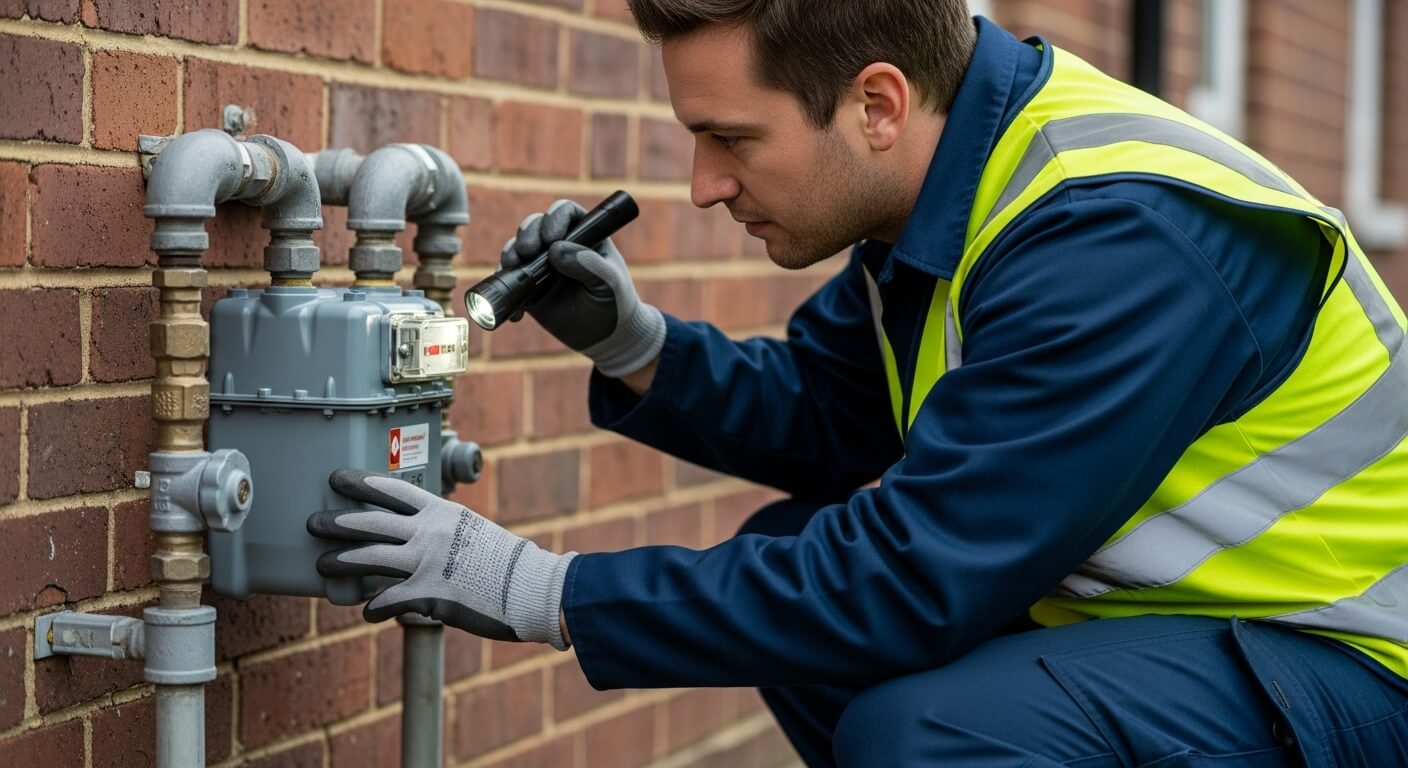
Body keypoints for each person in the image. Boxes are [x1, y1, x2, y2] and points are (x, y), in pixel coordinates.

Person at [307, 1, 1408, 765]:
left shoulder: (1113, 240)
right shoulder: (949, 185)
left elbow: (910, 579)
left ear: (877, 103)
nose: (702, 185)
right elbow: (840, 421)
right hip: (1196, 635)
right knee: (795, 568)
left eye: (729, 137)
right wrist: (636, 344)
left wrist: (543, 592)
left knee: (932, 731)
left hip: (1347, 667)